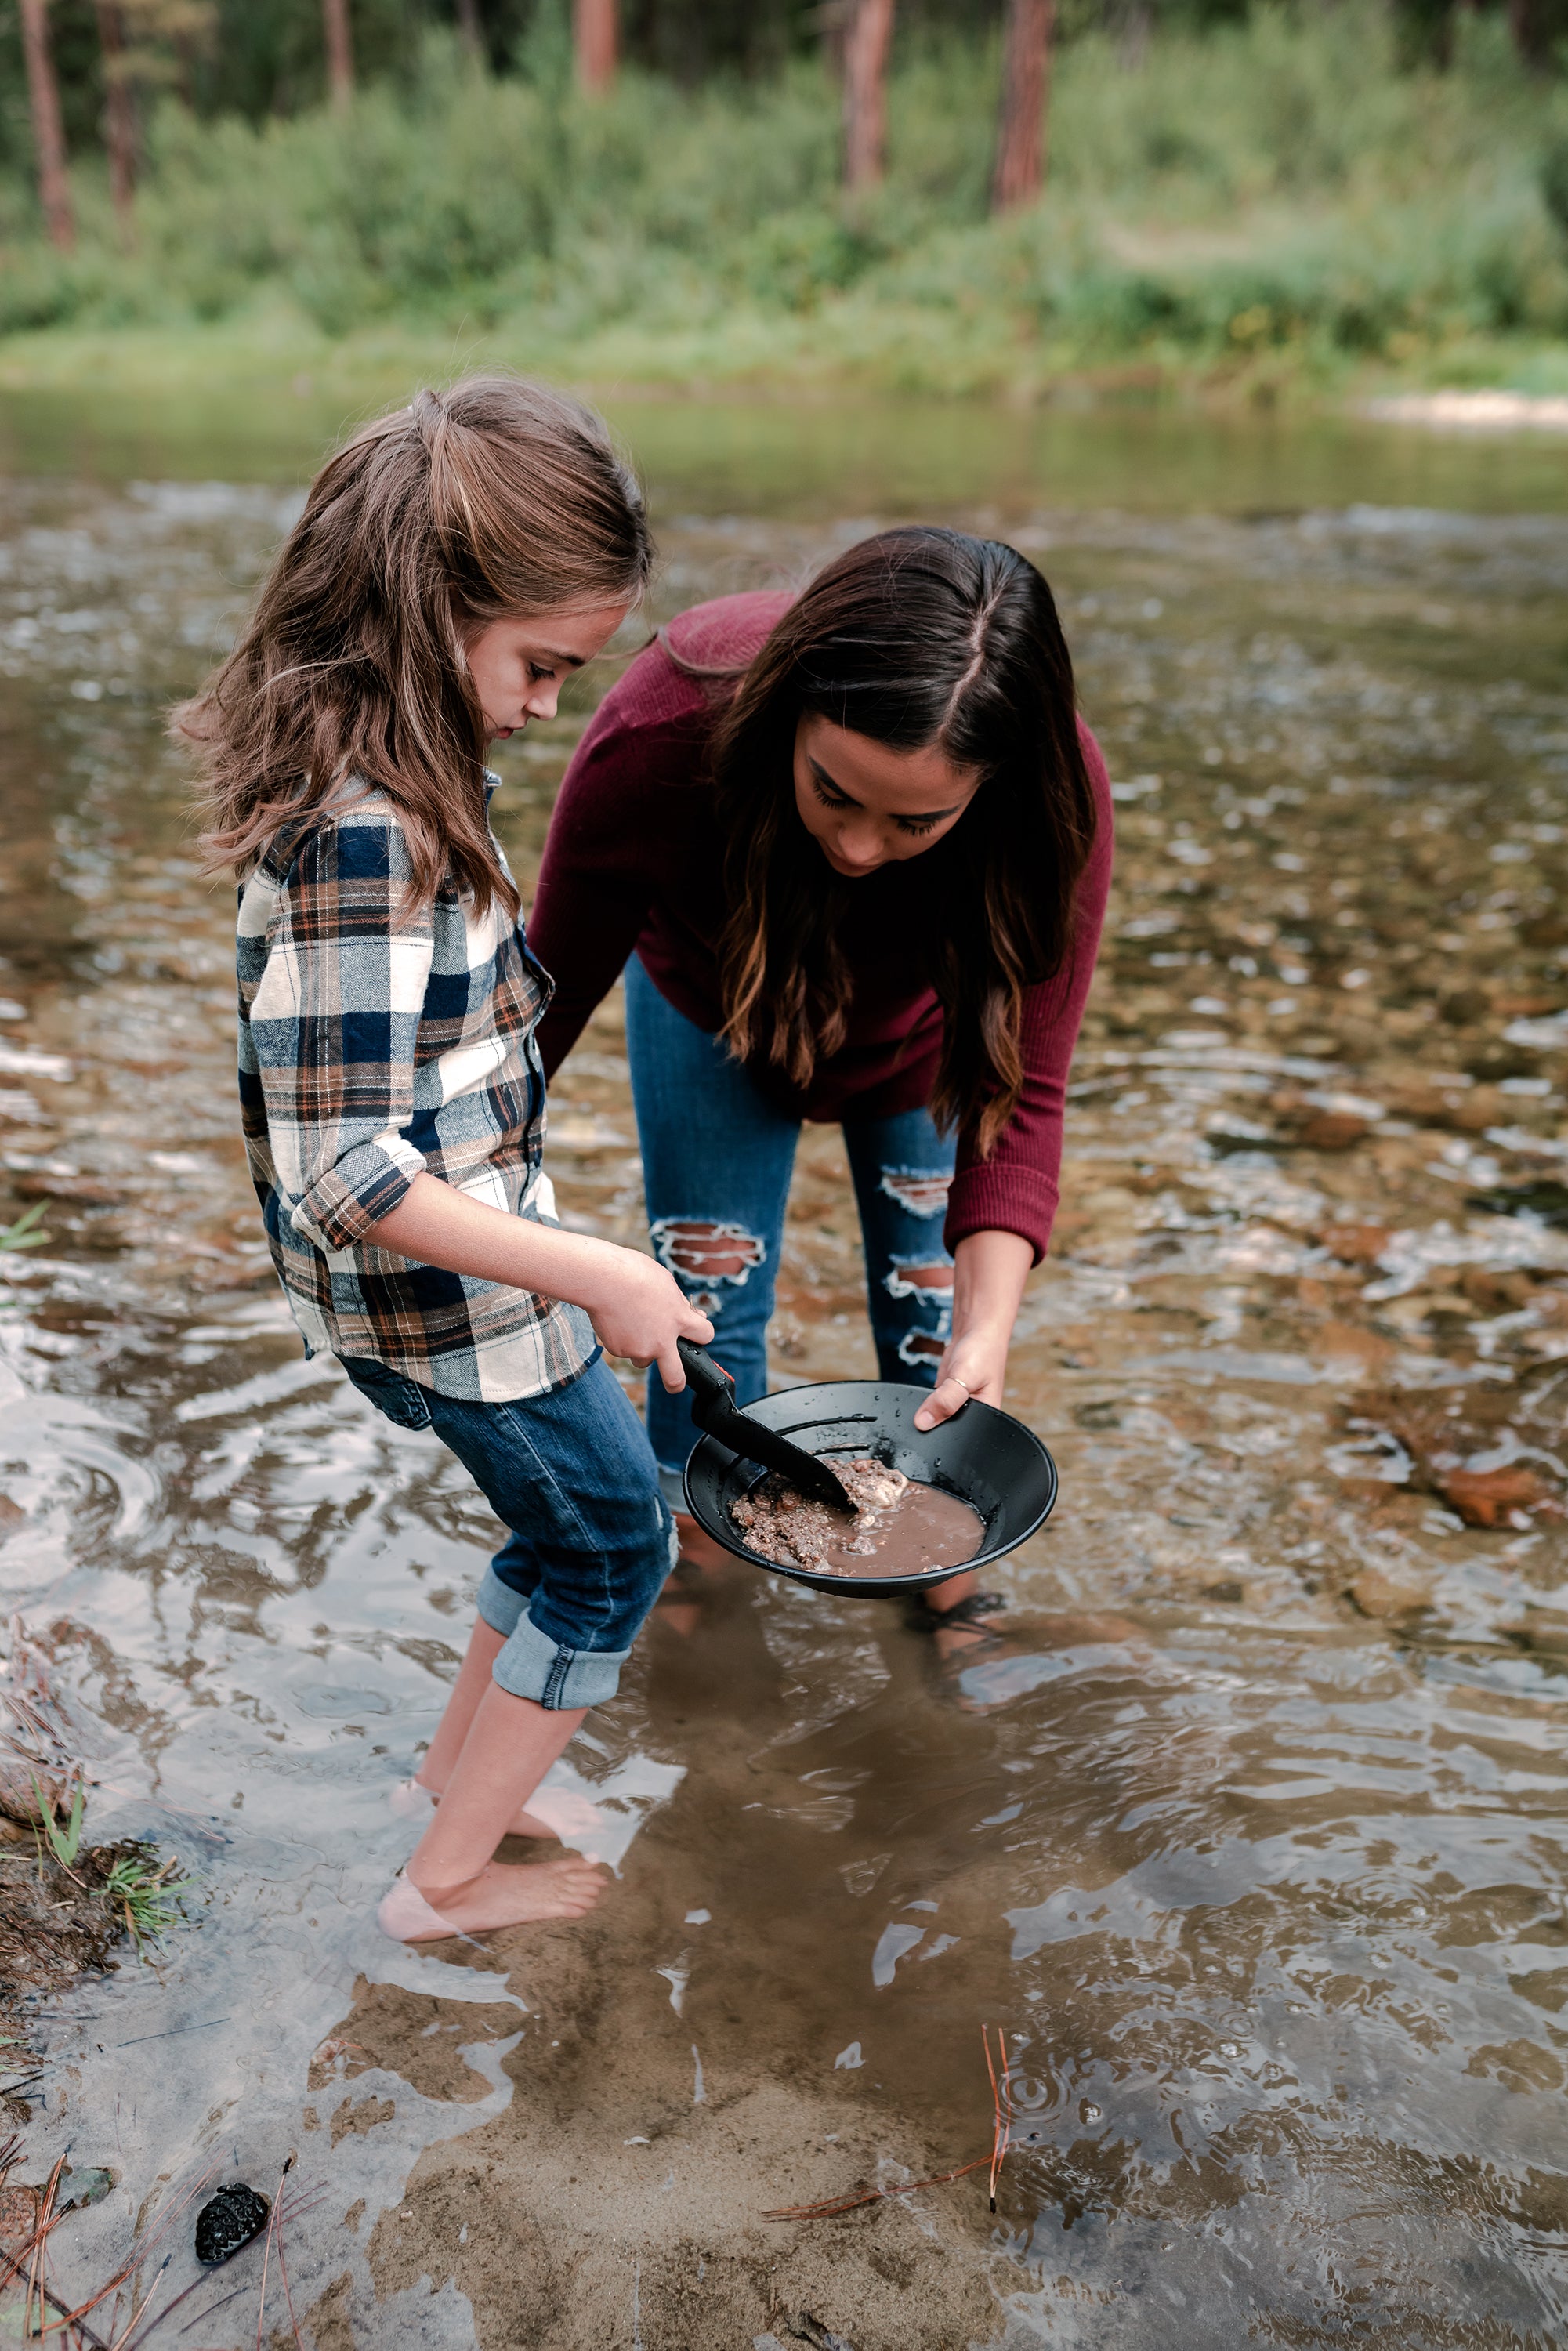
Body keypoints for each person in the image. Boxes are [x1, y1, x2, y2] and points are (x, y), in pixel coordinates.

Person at [176, 376, 712, 1943]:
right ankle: (446, 1883)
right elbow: (349, 1164)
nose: (551, 707)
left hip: (460, 1283)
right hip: (444, 1308)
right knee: (615, 1548)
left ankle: (457, 1783)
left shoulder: (389, 782)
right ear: (431, 611)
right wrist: (606, 1272)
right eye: (540, 665)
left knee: (560, 1523)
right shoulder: (365, 829)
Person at [529, 526, 1114, 1636]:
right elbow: (538, 1008)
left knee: (936, 1345)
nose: (854, 848)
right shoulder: (664, 729)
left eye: (915, 821)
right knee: (711, 1339)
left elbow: (1026, 1089)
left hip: (923, 1044)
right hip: (713, 1013)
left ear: (991, 789)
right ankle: (697, 1606)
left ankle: (949, 1603)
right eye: (832, 792)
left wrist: (990, 1335)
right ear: (789, 716)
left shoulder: (1056, 803)